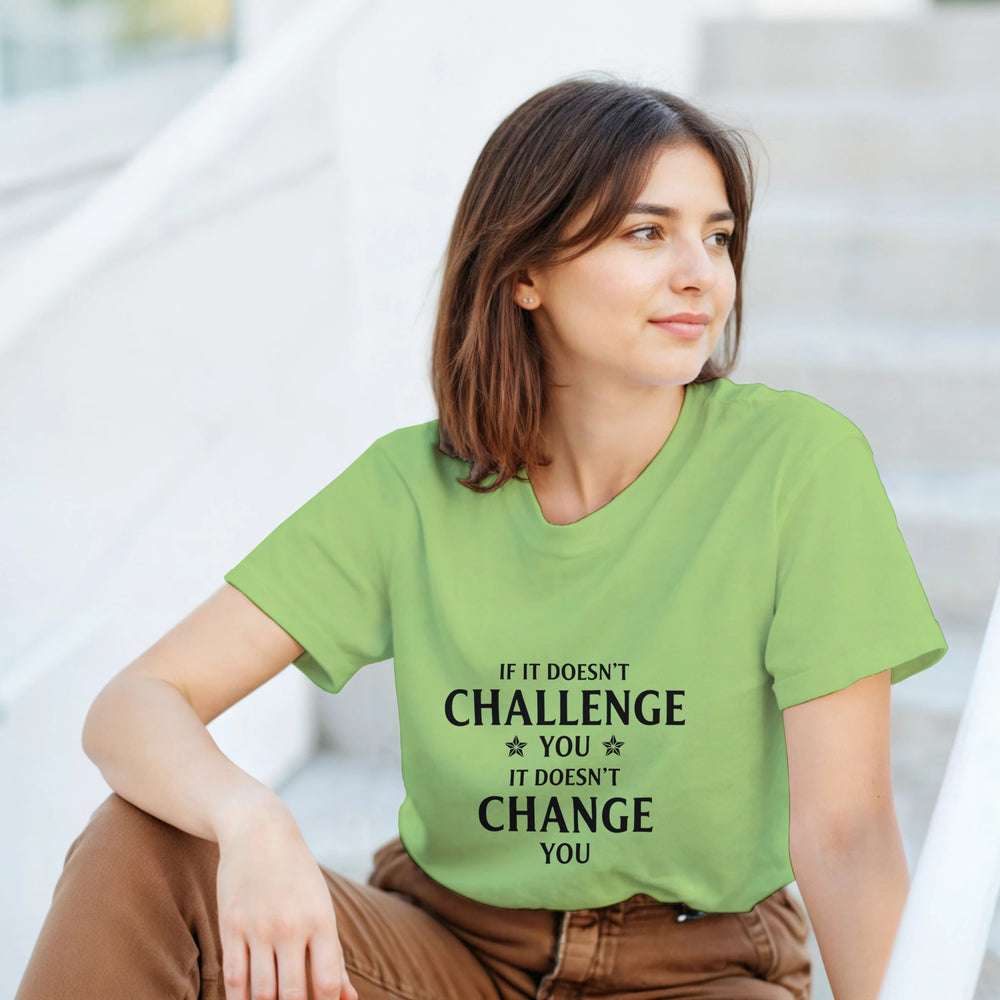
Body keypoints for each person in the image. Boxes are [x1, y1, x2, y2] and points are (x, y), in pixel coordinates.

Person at [16, 77, 947, 1000]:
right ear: (524, 272)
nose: (700, 272)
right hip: (447, 948)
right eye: (646, 232)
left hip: (697, 967)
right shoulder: (413, 488)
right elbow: (136, 702)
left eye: (718, 236)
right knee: (141, 844)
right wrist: (249, 815)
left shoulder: (796, 464)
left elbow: (847, 834)